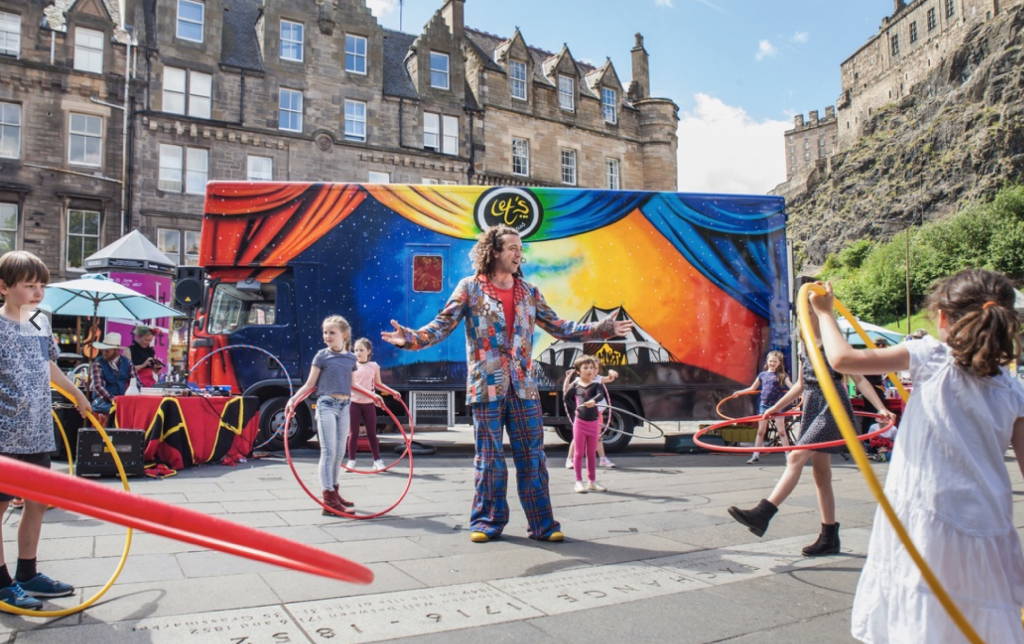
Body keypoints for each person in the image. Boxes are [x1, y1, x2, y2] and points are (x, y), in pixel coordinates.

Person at [809, 271, 1024, 643]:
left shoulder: (930, 356)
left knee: (922, 615)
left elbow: (842, 359)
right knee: (978, 615)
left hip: (926, 517)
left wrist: (825, 313)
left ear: (941, 318)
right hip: (989, 524)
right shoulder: (1014, 391)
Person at [382, 225, 632, 543]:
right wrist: (410, 339)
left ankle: (544, 525)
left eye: (520, 248)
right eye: (512, 247)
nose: (519, 253)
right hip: (486, 386)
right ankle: (487, 522)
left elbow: (562, 328)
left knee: (533, 457)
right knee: (489, 459)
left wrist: (605, 327)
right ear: (495, 251)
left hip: (523, 387)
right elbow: (442, 326)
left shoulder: (529, 292)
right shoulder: (470, 288)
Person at [727, 287, 895, 557]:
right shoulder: (806, 343)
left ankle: (763, 513)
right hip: (813, 406)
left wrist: (881, 407)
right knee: (821, 474)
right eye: (802, 311)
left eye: (808, 309)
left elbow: (859, 377)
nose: (803, 315)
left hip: (832, 406)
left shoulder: (833, 339)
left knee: (795, 457)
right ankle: (829, 536)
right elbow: (803, 386)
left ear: (818, 309)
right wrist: (775, 408)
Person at [0, 250, 90, 609]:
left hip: (37, 429)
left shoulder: (39, 320)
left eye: (42, 286)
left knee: (36, 503)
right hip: (4, 431)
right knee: (2, 505)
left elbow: (48, 363)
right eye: (28, 286)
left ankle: (28, 572)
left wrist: (77, 392)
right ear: (3, 288)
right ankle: (1, 582)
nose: (37, 293)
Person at [286, 315, 381, 515]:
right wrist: (293, 400)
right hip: (326, 405)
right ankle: (328, 499)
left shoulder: (350, 358)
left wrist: (373, 396)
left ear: (344, 335)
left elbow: (353, 386)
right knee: (328, 452)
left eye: (332, 332)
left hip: (345, 405)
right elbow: (310, 385)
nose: (327, 336)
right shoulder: (322, 356)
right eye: (325, 332)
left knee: (339, 453)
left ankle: (335, 492)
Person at [346, 338, 399, 472]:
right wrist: (372, 394)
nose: (358, 352)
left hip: (369, 404)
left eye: (361, 350)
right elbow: (352, 385)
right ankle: (351, 461)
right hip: (354, 403)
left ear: (368, 351)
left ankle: (377, 461)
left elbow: (378, 384)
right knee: (353, 433)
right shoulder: (351, 365)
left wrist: (393, 392)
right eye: (356, 350)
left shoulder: (373, 366)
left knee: (371, 434)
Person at [733, 350, 793, 464]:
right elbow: (752, 389)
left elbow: (792, 387)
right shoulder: (762, 375)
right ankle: (756, 455)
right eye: (770, 361)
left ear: (779, 363)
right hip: (764, 406)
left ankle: (788, 456)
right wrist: (739, 392)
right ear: (767, 361)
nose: (772, 363)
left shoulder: (782, 376)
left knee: (781, 432)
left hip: (777, 406)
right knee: (761, 431)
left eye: (775, 362)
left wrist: (801, 394)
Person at [563, 355, 612, 493]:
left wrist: (593, 401)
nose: (589, 370)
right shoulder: (576, 386)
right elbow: (566, 397)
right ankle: (578, 481)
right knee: (578, 454)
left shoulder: (596, 385)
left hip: (594, 423)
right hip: (580, 423)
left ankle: (592, 481)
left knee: (591, 453)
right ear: (578, 371)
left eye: (591, 368)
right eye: (585, 368)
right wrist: (576, 408)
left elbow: (600, 395)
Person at [564, 367, 619, 470]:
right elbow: (566, 391)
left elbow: (610, 378)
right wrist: (568, 377)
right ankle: (570, 459)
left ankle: (603, 459)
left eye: (594, 368)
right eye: (588, 368)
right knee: (577, 438)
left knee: (597, 436)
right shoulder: (578, 381)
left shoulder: (598, 379)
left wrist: (612, 372)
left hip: (597, 413)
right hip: (583, 413)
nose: (591, 370)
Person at [89, 332, 139, 423]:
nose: (104, 353)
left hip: (120, 403)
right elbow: (98, 387)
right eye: (103, 350)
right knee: (121, 411)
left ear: (116, 350)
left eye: (107, 350)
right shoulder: (98, 363)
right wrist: (115, 400)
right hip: (102, 403)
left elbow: (136, 383)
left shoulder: (127, 363)